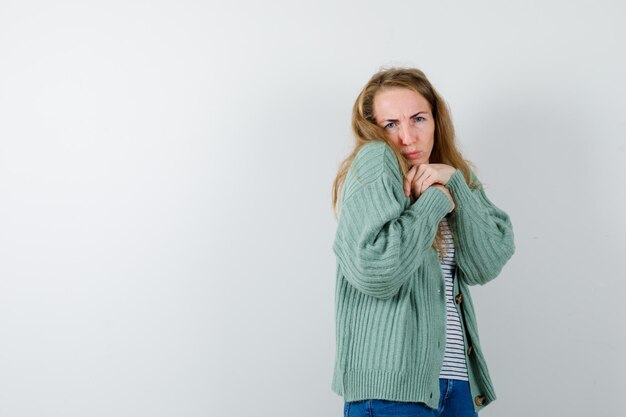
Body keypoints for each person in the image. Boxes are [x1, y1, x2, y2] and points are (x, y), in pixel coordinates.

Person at [331, 67, 515, 417]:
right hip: (390, 389)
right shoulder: (376, 160)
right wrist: (434, 204)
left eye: (418, 119)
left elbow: (487, 262)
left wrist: (456, 186)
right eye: (391, 124)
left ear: (436, 119)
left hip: (456, 384)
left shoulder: (451, 176)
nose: (407, 137)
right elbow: (374, 269)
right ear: (374, 129)